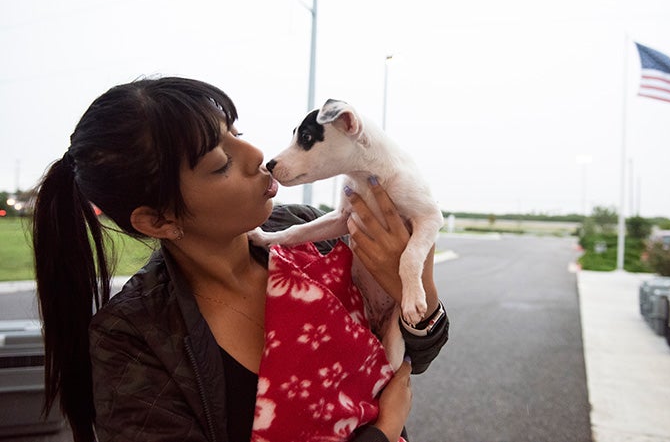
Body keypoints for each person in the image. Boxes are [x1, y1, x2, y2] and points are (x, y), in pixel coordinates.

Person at [31, 77, 449, 442]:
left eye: (237, 131)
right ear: (159, 221)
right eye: (220, 164)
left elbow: (419, 352)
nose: (255, 155)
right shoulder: (131, 341)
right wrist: (382, 431)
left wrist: (416, 291)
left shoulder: (305, 233)